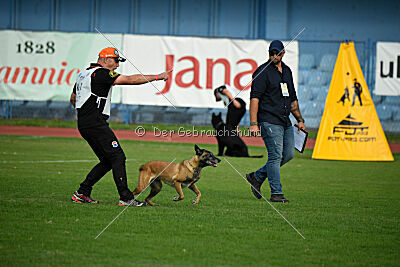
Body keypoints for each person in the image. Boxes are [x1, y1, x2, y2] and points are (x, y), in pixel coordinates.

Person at [69, 47, 171, 206]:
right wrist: (158, 77)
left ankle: (82, 192)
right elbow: (131, 80)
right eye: (115, 61)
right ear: (105, 60)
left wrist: (85, 113)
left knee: (107, 160)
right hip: (95, 123)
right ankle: (126, 197)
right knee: (118, 157)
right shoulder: (101, 73)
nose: (117, 65)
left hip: (85, 123)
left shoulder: (83, 74)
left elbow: (73, 98)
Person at [246, 40, 306, 203]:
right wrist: (253, 123)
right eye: (271, 53)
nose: (274, 56)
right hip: (268, 120)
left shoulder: (287, 71)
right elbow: (254, 99)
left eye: (277, 53)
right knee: (275, 156)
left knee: (288, 155)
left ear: (283, 53)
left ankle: (256, 176)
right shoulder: (262, 72)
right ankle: (276, 193)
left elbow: (292, 99)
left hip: (285, 120)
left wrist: (299, 119)